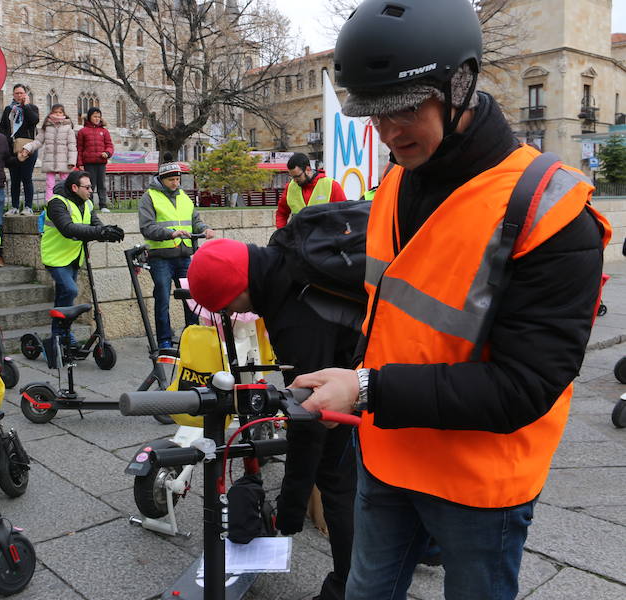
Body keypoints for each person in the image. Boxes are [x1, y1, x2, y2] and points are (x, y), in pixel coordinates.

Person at [294, 1, 610, 599]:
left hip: (478, 487)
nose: (388, 133)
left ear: (460, 84)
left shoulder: (552, 212)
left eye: (406, 108)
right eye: (373, 114)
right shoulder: (394, 181)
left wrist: (367, 389)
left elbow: (526, 385)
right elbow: (388, 313)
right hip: (386, 458)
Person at [188, 237, 359, 600]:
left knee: (336, 481)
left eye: (227, 307)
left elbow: (310, 415)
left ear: (239, 290)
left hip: (373, 374)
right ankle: (424, 545)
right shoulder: (285, 257)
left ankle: (348, 589)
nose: (231, 315)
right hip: (356, 360)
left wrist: (290, 509)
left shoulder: (294, 314)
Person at [138, 162, 216, 349]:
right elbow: (146, 227)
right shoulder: (149, 197)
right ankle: (164, 340)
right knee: (163, 298)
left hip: (183, 255)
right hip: (160, 257)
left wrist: (205, 229)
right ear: (162, 179)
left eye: (178, 179)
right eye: (171, 180)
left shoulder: (184, 197)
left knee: (192, 296)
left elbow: (195, 220)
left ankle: (193, 335)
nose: (175, 183)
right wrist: (170, 233)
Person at [40, 170, 123, 342]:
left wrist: (108, 233)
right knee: (70, 290)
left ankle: (61, 334)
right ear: (74, 187)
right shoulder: (57, 203)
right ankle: (59, 334)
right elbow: (68, 229)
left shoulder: (87, 203)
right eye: (87, 187)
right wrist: (100, 231)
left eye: (91, 187)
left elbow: (96, 225)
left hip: (74, 257)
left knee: (64, 295)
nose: (91, 190)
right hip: (55, 257)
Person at [274, 153, 346, 229]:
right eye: (292, 177)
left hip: (324, 239)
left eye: (297, 176)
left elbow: (344, 214)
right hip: (299, 238)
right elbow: (281, 213)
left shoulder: (332, 185)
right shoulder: (290, 187)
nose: (294, 180)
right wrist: (281, 233)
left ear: (308, 169)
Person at [0, 83, 40, 215]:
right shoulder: (8, 109)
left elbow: (34, 121)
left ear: (25, 94)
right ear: (13, 95)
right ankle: (15, 206)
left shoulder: (32, 108)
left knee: (26, 178)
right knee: (14, 179)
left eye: (21, 93)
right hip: (13, 148)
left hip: (28, 147)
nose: (19, 95)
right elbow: (3, 128)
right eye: (16, 93)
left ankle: (28, 206)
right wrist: (8, 142)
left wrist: (26, 106)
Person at [24, 103, 77, 203]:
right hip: (50, 160)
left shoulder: (68, 128)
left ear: (64, 114)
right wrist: (28, 147)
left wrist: (72, 161)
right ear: (51, 113)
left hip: (64, 161)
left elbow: (72, 146)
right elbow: (38, 141)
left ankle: (66, 202)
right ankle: (49, 202)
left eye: (60, 112)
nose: (57, 114)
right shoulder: (47, 127)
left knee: (65, 183)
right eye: (55, 112)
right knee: (49, 183)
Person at [76, 107, 114, 212]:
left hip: (101, 163)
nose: (97, 119)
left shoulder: (104, 131)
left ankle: (103, 205)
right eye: (95, 116)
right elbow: (79, 148)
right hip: (88, 163)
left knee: (102, 184)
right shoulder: (82, 132)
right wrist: (79, 163)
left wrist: (107, 153)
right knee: (89, 185)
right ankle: (89, 205)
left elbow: (109, 145)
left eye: (99, 117)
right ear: (89, 117)